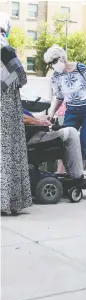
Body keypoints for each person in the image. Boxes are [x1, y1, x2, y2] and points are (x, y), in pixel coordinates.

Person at [44, 45, 86, 169]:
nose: (52, 66)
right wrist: (51, 113)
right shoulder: (56, 76)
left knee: (85, 142)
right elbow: (59, 97)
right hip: (72, 110)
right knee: (65, 140)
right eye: (50, 64)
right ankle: (60, 175)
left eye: (54, 62)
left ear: (62, 58)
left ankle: (79, 177)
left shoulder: (81, 68)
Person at [0, 12, 33, 215]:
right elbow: (20, 76)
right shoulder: (4, 47)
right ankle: (7, 201)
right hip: (5, 106)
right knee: (8, 151)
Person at [23, 111, 86, 183]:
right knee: (71, 133)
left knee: (71, 133)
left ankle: (74, 173)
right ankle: (77, 176)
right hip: (31, 137)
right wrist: (39, 122)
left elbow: (28, 115)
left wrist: (43, 117)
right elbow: (23, 118)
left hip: (33, 133)